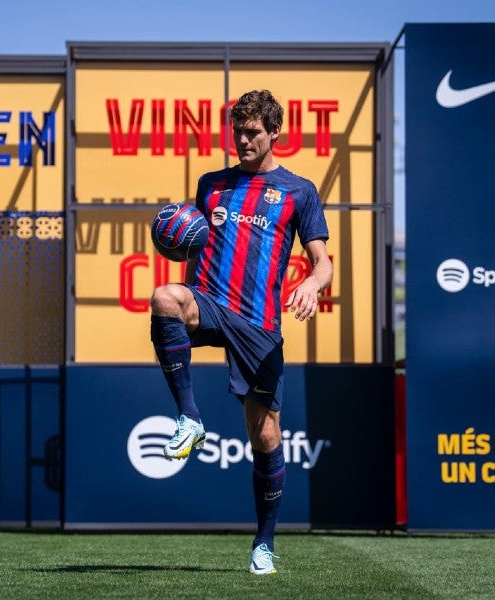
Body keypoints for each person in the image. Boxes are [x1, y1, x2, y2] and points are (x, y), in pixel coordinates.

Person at [149, 89, 333, 575]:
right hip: (209, 302)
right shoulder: (211, 185)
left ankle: (264, 544)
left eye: (254, 131)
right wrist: (173, 238)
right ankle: (189, 418)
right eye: (238, 130)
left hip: (259, 326)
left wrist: (312, 285)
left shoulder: (298, 191)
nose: (244, 139)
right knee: (165, 297)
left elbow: (323, 263)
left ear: (275, 133)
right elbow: (191, 243)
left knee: (265, 434)